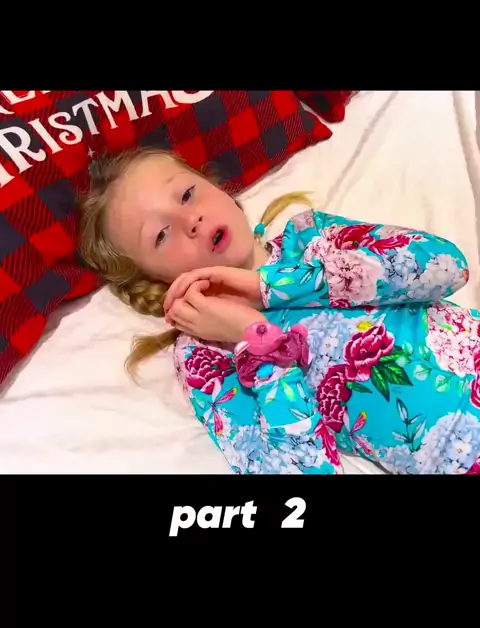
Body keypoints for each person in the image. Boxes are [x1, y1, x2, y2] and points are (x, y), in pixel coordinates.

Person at [80, 147, 480, 475]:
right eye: (161, 235)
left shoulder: (309, 236)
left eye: (186, 194)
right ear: (155, 280)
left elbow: (447, 266)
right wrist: (257, 340)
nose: (191, 219)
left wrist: (269, 287)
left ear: (214, 185)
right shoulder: (205, 355)